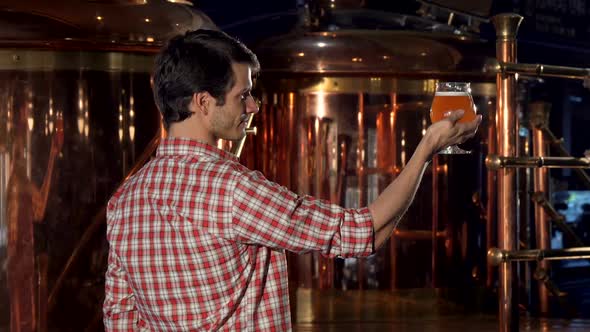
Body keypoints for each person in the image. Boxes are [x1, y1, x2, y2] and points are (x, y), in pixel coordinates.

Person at [103, 29, 481, 331]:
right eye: (244, 95)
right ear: (203, 103)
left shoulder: (125, 199)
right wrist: (427, 148)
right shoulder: (235, 191)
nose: (253, 106)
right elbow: (363, 233)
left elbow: (120, 318)